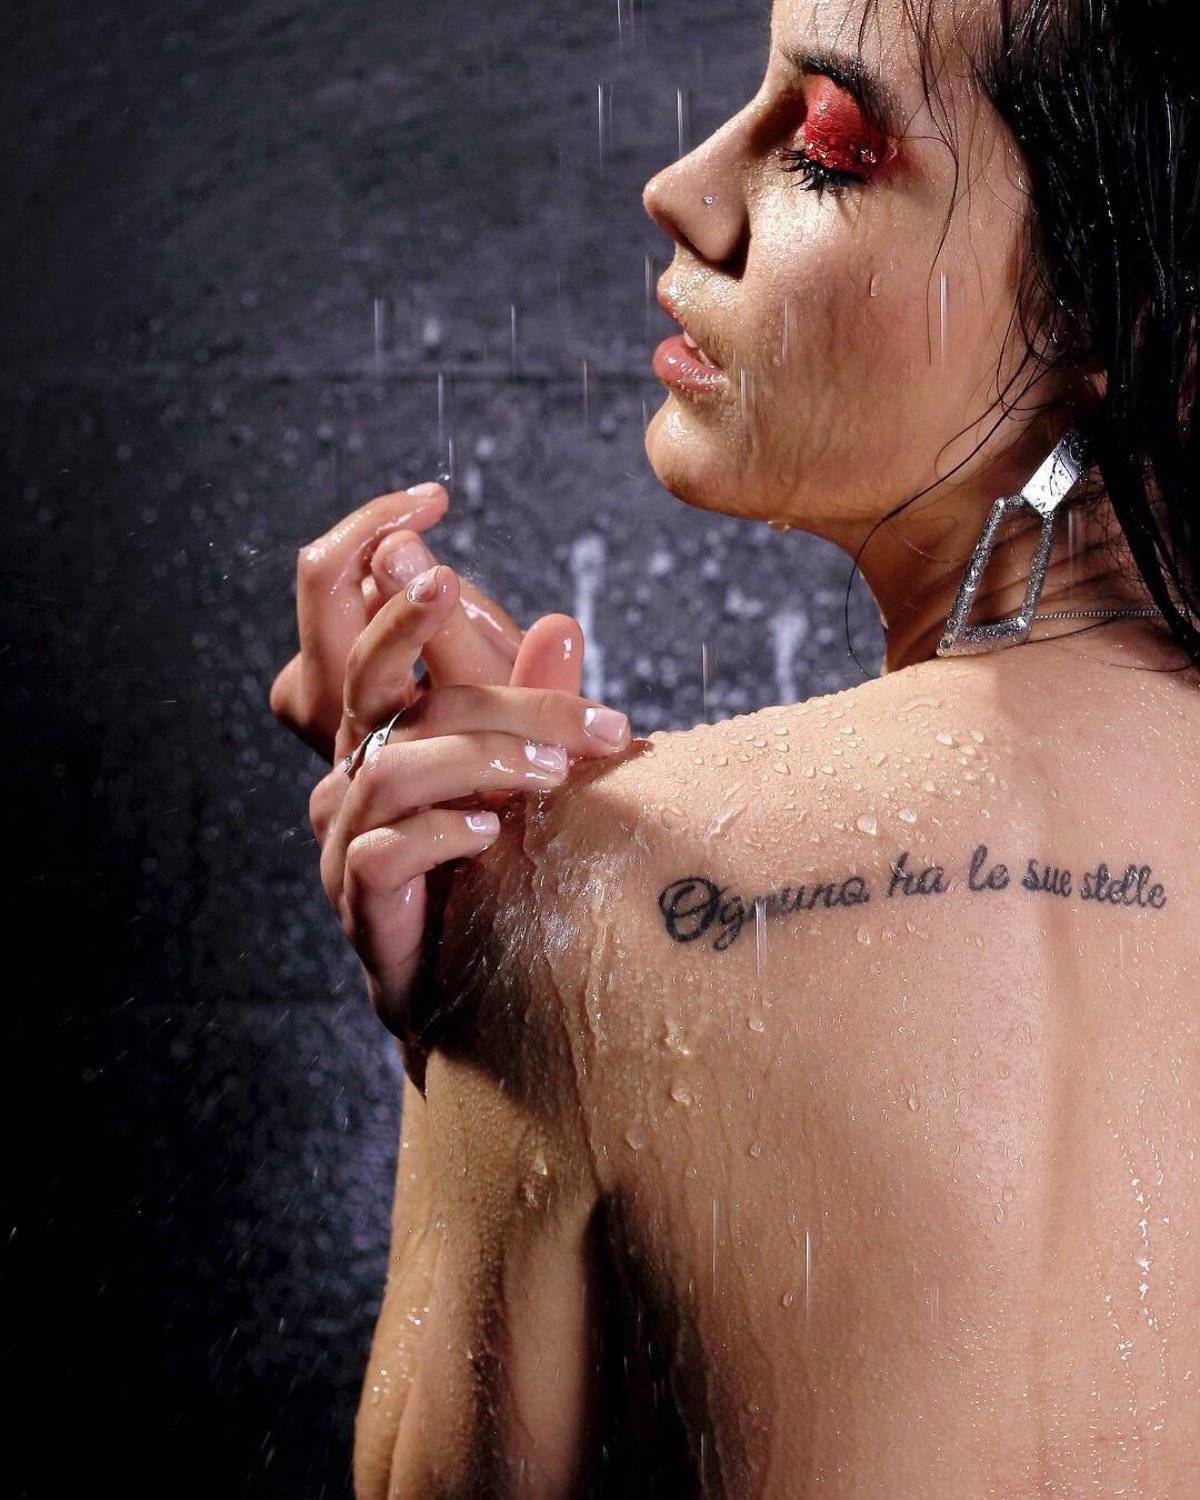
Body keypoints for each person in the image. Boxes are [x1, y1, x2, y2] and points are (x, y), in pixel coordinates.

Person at [270, 0, 1200, 1493]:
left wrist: (487, 1011)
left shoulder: (605, 893)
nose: (686, 189)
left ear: (1123, 319)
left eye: (828, 145)